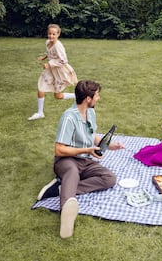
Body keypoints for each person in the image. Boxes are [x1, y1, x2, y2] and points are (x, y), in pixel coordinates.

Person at [38, 79, 125, 238]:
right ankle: (66, 214)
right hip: (66, 160)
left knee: (110, 178)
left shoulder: (90, 112)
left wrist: (110, 145)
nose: (99, 98)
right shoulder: (68, 117)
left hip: (85, 160)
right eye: (97, 95)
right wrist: (86, 150)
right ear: (88, 99)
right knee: (71, 172)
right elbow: (59, 149)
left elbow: (92, 136)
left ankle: (60, 189)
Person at [28, 23, 78, 121]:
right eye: (50, 33)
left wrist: (49, 64)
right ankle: (40, 112)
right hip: (50, 71)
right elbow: (50, 53)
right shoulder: (48, 42)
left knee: (58, 96)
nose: (51, 36)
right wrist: (44, 57)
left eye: (54, 34)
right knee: (40, 88)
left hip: (59, 71)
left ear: (58, 34)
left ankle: (77, 96)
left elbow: (64, 61)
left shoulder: (58, 46)